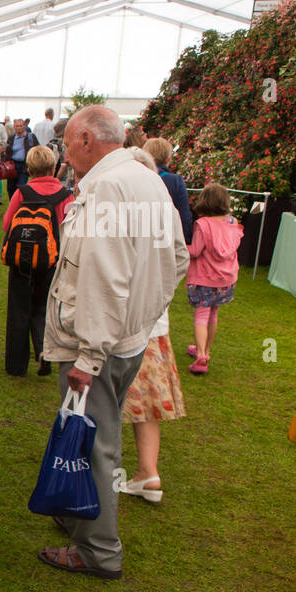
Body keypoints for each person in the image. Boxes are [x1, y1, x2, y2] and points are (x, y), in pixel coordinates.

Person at [37, 105, 189, 580]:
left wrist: (90, 354)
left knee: (95, 443)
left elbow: (104, 279)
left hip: (101, 345)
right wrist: (142, 320)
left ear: (86, 140)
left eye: (67, 143)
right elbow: (178, 259)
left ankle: (99, 550)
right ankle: (78, 513)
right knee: (90, 432)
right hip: (130, 339)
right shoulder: (148, 178)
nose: (64, 152)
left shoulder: (106, 187)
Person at [119, 147, 187, 503]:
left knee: (110, 403)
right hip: (153, 324)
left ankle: (116, 477)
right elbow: (180, 259)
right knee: (145, 407)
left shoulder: (122, 210)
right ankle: (149, 473)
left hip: (129, 327)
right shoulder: (164, 210)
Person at [2, 145, 72, 376]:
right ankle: (45, 353)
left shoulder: (22, 193)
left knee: (18, 310)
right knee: (45, 308)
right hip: (53, 261)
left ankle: (16, 365)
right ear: (53, 168)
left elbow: (7, 225)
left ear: (29, 169)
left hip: (22, 259)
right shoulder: (65, 195)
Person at [185, 183, 242, 375]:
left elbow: (195, 251)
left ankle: (200, 354)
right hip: (226, 278)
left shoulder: (202, 225)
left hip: (205, 278)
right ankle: (206, 352)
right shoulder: (233, 223)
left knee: (202, 314)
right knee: (214, 314)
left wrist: (178, 247)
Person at [142, 137, 193, 244]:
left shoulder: (138, 178)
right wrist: (186, 240)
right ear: (168, 158)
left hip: (143, 238)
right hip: (168, 239)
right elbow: (184, 215)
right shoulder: (175, 181)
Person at [8, 118, 39, 189]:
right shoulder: (11, 138)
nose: (19, 128)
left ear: (24, 126)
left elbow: (37, 149)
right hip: (13, 165)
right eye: (17, 126)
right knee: (10, 187)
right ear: (14, 127)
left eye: (20, 126)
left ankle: (20, 200)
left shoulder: (30, 137)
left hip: (24, 165)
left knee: (21, 187)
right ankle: (12, 200)